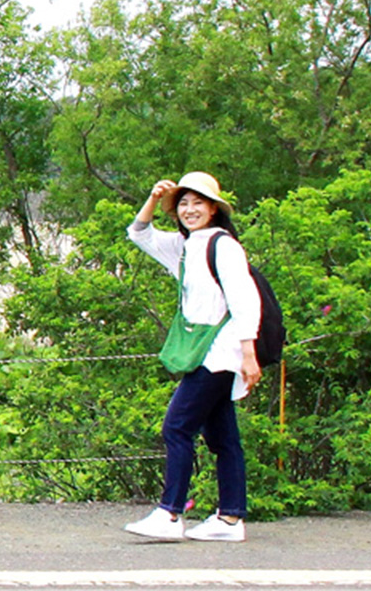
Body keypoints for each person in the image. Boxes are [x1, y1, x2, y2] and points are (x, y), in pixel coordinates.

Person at [121, 171, 261, 542]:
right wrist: (153, 198)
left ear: (214, 208)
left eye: (198, 202)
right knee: (222, 436)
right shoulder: (185, 246)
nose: (190, 209)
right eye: (183, 203)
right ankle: (230, 519)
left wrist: (249, 353)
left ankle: (170, 514)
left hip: (220, 350)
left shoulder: (223, 246)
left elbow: (245, 299)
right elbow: (138, 234)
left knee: (177, 426)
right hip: (202, 350)